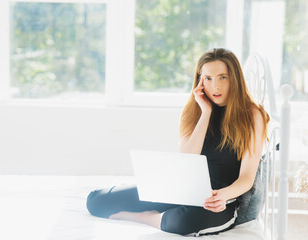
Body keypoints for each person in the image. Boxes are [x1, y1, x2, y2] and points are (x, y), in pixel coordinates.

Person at [86, 48, 270, 236]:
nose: (215, 86)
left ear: (235, 78)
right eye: (207, 78)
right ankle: (161, 212)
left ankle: (146, 217)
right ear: (199, 80)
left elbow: (246, 178)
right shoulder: (194, 111)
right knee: (96, 201)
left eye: (222, 77)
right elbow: (188, 158)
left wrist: (223, 195)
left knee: (185, 221)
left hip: (220, 199)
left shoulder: (253, 115)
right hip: (183, 189)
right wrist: (206, 113)